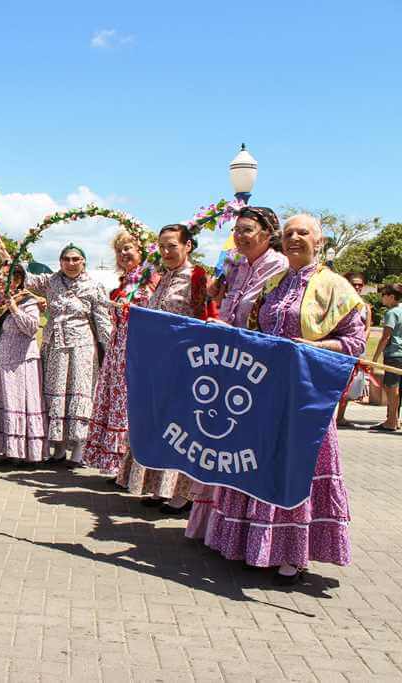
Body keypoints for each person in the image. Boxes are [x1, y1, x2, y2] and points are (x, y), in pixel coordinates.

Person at [201, 213, 365, 585]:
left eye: (302, 233)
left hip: (306, 395)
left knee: (294, 469)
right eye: (289, 233)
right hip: (267, 391)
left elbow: (354, 342)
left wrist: (316, 346)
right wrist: (229, 331)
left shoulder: (336, 288)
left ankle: (292, 554)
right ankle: (254, 544)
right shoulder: (274, 282)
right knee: (262, 465)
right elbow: (257, 333)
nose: (294, 238)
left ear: (319, 241)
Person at [185, 207, 288, 535]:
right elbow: (227, 306)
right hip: (230, 364)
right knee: (224, 446)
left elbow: (268, 319)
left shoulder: (279, 267)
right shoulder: (237, 265)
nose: (240, 236)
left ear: (267, 233)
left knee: (248, 450)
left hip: (260, 368)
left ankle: (251, 532)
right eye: (237, 230)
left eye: (247, 230)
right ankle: (218, 529)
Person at [117, 224, 212, 514]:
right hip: (159, 362)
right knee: (161, 425)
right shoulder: (162, 278)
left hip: (185, 363)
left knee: (182, 428)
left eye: (173, 246)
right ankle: (159, 486)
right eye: (163, 247)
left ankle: (183, 494)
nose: (167, 252)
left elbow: (206, 317)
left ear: (188, 246)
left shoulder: (197, 277)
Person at [22, 244, 112, 466]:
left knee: (79, 393)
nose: (71, 264)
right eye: (66, 259)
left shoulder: (94, 286)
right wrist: (8, 257)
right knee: (55, 393)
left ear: (83, 261)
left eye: (75, 259)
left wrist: (110, 348)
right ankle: (59, 448)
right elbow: (24, 278)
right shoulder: (51, 281)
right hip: (54, 347)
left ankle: (79, 451)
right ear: (60, 261)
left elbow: (102, 320)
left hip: (81, 347)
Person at [83, 230, 160, 477]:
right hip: (118, 350)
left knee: (129, 407)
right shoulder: (124, 282)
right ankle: (120, 468)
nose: (124, 254)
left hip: (137, 349)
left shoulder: (151, 279)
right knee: (116, 404)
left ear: (142, 251)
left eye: (128, 248)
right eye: (120, 250)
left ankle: (131, 468)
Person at [0, 264, 47, 464]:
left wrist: (13, 305)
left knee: (16, 405)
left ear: (19, 279)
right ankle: (4, 450)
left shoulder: (28, 301)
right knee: (0, 405)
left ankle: (22, 453)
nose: (4, 279)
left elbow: (31, 328)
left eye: (9, 276)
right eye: (1, 275)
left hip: (18, 363)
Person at [336, 271, 373, 427]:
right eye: (354, 283)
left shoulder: (365, 307)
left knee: (349, 385)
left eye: (360, 284)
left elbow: (368, 328)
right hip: (339, 349)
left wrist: (359, 345)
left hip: (356, 351)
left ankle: (340, 417)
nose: (357, 287)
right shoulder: (338, 302)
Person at [371, 283, 402, 432]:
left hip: (394, 355)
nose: (382, 298)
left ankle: (391, 421)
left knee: (391, 388)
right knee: (396, 389)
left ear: (391, 296)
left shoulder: (391, 313)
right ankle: (395, 419)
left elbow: (385, 337)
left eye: (384, 295)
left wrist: (375, 357)